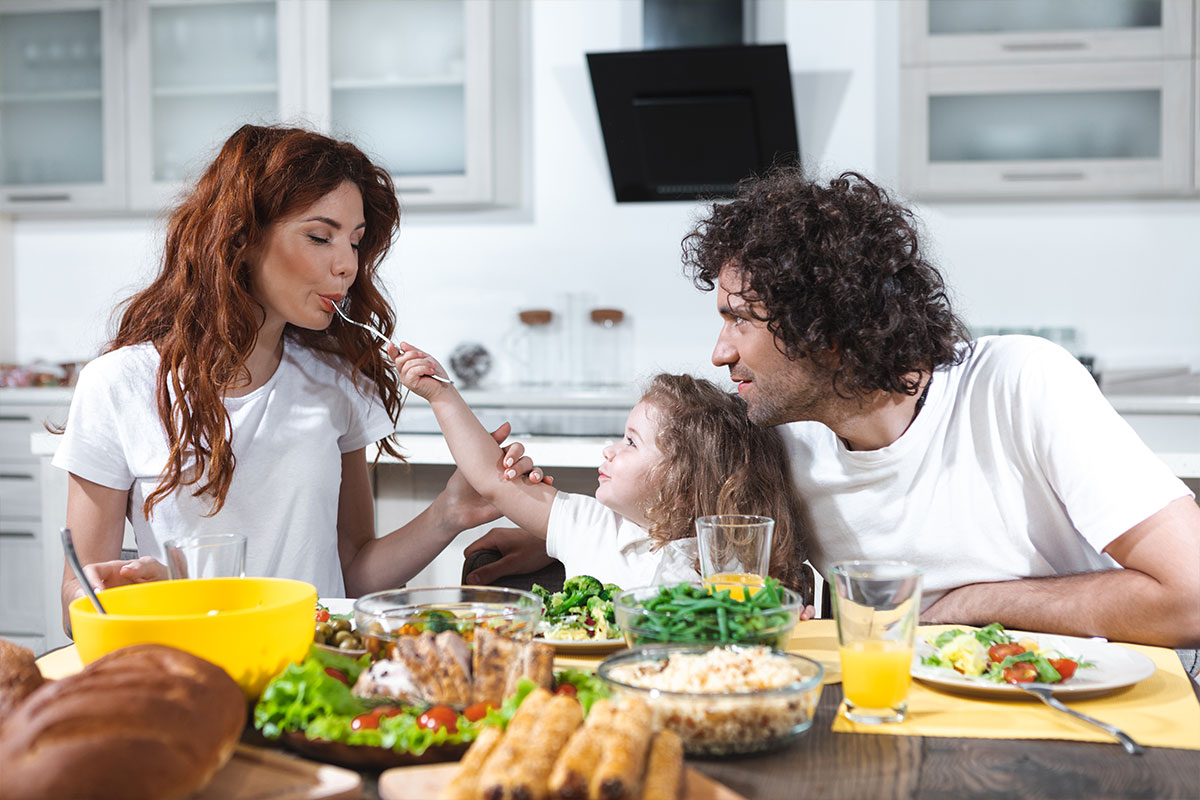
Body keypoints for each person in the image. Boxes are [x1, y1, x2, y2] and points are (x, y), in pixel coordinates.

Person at [681, 166, 1200, 649]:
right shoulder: (788, 439)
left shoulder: (1020, 382)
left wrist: (973, 604)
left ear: (828, 331)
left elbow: (1192, 600)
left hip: (1084, 709)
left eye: (741, 320)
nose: (720, 353)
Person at [54, 124, 539, 624]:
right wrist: (103, 595)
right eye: (319, 236)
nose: (347, 265)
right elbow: (77, 604)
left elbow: (351, 576)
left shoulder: (337, 379)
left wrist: (449, 514)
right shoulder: (117, 384)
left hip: (313, 671)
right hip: (190, 667)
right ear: (240, 237)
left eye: (355, 242)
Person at [393, 348, 813, 601]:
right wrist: (441, 394)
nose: (609, 450)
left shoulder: (734, 573)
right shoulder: (593, 527)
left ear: (682, 483)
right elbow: (490, 478)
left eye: (631, 442)